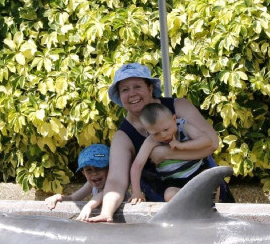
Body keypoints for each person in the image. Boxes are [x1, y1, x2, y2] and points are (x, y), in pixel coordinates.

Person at [87, 63, 233, 223]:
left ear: (150, 88)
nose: (132, 93)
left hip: (209, 194)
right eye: (125, 89)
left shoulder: (178, 107)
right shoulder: (123, 136)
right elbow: (116, 181)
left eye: (137, 86)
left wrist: (167, 153)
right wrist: (107, 212)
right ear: (119, 97)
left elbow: (212, 144)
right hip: (165, 209)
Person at [130, 102, 213, 203]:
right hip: (174, 180)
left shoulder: (184, 127)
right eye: (156, 133)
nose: (163, 135)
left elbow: (207, 141)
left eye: (166, 129)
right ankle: (193, 202)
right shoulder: (151, 141)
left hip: (197, 170)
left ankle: (209, 204)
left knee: (210, 178)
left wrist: (182, 146)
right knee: (169, 195)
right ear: (148, 132)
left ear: (174, 119)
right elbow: (137, 165)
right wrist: (136, 192)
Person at [45, 144, 112, 220]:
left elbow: (105, 194)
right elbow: (73, 198)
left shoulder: (114, 185)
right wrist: (59, 197)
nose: (94, 173)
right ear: (84, 173)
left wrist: (88, 206)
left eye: (99, 167)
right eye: (89, 170)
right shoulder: (90, 185)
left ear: (110, 169)